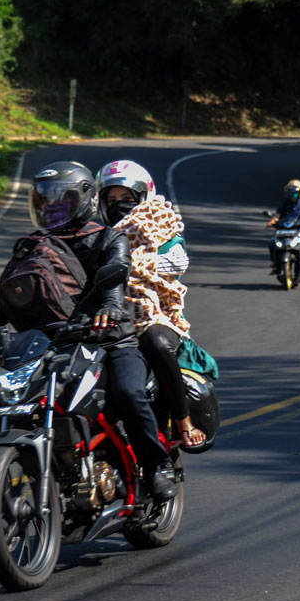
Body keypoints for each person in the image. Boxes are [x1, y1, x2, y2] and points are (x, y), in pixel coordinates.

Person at [0, 161, 178, 502]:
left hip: (109, 340)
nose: (51, 208)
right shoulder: (32, 245)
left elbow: (116, 273)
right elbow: (12, 292)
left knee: (127, 393)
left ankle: (156, 466)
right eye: (45, 200)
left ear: (85, 200)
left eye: (61, 199)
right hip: (53, 343)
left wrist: (109, 307)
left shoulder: (110, 237)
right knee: (17, 397)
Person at [95, 159, 208, 452]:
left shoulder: (162, 227)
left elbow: (176, 262)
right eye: (112, 199)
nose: (119, 205)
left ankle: (183, 421)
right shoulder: (94, 233)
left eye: (127, 198)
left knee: (156, 342)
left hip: (155, 315)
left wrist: (127, 261)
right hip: (107, 317)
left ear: (143, 197)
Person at [265, 178, 300, 274]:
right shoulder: (284, 204)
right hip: (286, 229)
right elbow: (277, 216)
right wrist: (272, 221)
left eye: (294, 193)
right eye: (290, 193)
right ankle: (275, 262)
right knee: (272, 242)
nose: (292, 196)